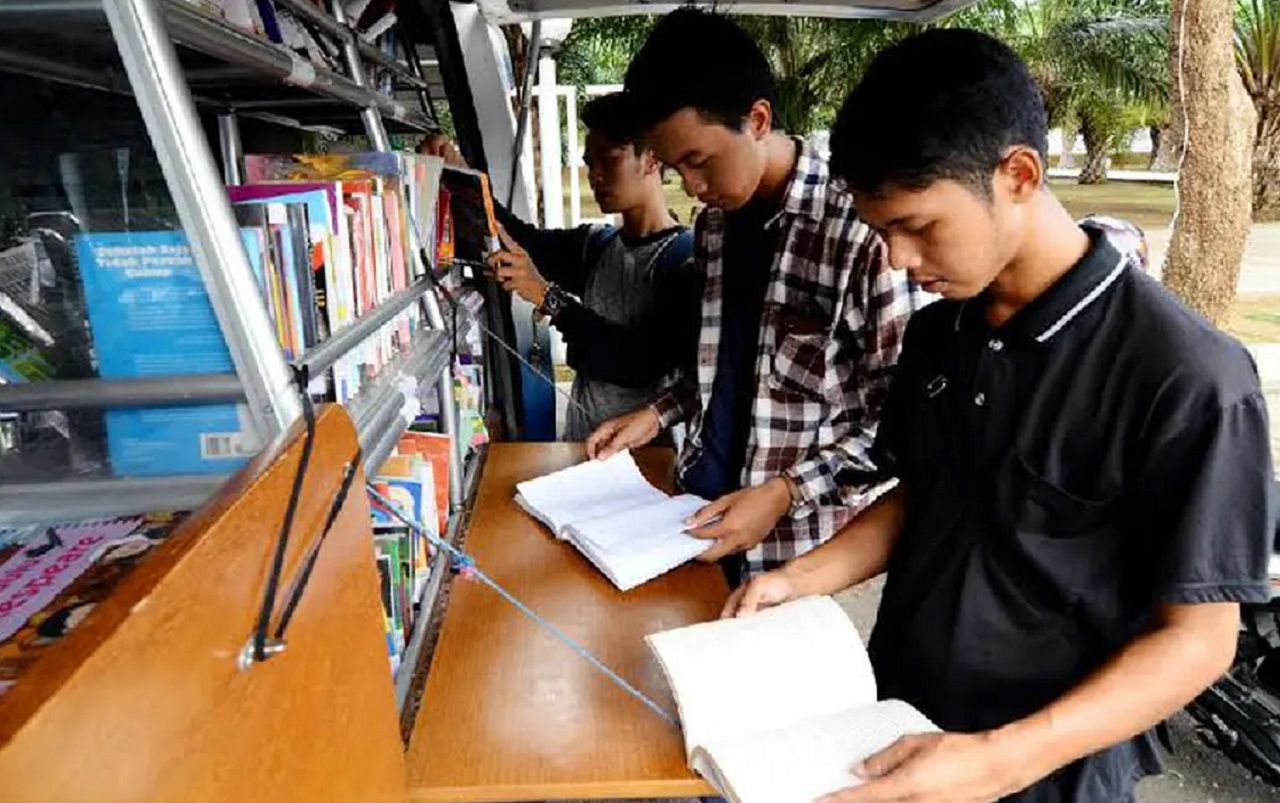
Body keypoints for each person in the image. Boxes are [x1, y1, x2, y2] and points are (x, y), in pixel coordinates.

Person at [723, 29, 1273, 803]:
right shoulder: (937, 332)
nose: (898, 261)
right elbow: (924, 496)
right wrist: (801, 578)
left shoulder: (1190, 377)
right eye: (882, 232)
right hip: (893, 719)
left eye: (918, 225)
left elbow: (1201, 638)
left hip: (1044, 768)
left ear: (1018, 174)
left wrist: (1000, 759)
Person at [585, 8, 929, 587]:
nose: (692, 188)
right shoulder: (716, 226)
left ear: (759, 119)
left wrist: (786, 492)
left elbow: (902, 422)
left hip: (799, 552)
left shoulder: (860, 229)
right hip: (694, 521)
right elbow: (728, 369)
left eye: (699, 161)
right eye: (674, 169)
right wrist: (656, 414)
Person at [419, 91, 697, 440]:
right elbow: (521, 241)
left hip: (650, 460)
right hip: (584, 448)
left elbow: (639, 362)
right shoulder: (596, 247)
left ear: (653, 159)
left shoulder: (683, 260)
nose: (594, 174)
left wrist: (549, 298)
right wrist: (461, 174)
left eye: (609, 160)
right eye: (589, 162)